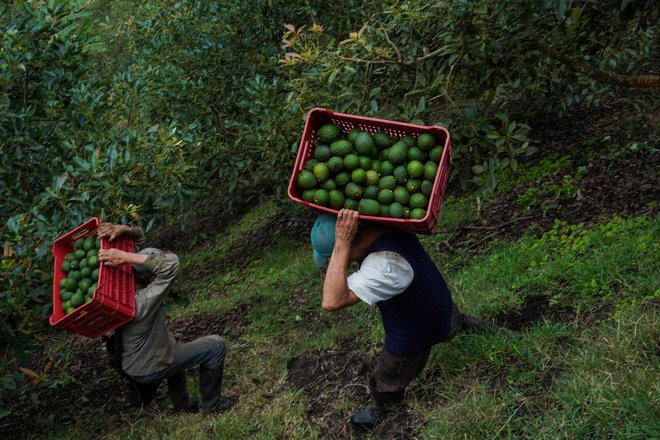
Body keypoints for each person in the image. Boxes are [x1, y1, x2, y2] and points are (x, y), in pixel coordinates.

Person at [311, 210, 515, 429]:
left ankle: (382, 409)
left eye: (341, 257)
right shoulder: (391, 224)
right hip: (435, 298)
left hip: (415, 328)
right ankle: (463, 324)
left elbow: (331, 301)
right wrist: (344, 241)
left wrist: (341, 244)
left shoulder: (384, 266)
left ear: (351, 245)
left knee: (385, 375)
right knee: (448, 319)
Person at [97, 222, 234, 414]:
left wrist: (124, 230)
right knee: (216, 346)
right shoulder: (141, 303)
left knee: (174, 346)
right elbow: (170, 267)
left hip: (134, 362)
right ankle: (212, 405)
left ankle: (182, 405)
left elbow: (139, 240)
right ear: (152, 280)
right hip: (148, 367)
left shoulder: (126, 281)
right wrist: (128, 256)